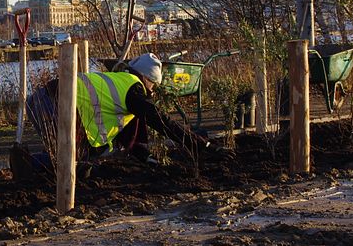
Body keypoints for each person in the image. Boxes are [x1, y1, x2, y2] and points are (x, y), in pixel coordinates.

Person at [25, 53, 219, 165]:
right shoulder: (133, 90)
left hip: (41, 100)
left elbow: (126, 131)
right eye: (153, 86)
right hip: (55, 103)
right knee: (70, 159)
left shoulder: (119, 81)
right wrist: (198, 144)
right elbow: (161, 121)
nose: (152, 91)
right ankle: (29, 164)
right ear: (148, 79)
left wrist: (145, 156)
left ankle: (32, 166)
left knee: (76, 156)